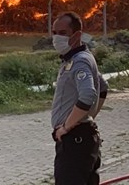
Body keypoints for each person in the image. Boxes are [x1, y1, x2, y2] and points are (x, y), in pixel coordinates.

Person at [50, 11, 108, 185]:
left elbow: (89, 94)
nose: (56, 38)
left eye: (62, 33)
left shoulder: (79, 61)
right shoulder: (81, 58)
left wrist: (67, 127)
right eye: (54, 33)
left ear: (77, 35)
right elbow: (103, 87)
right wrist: (88, 116)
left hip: (75, 143)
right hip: (83, 139)